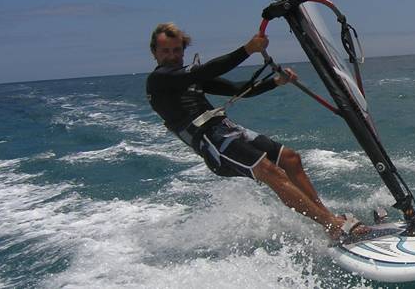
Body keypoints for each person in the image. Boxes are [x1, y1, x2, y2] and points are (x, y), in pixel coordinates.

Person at [145, 22, 368, 242]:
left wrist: (275, 82)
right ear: (154, 52)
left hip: (227, 130)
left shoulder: (189, 78)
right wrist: (247, 50)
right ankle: (331, 224)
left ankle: (328, 219)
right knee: (271, 171)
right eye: (165, 51)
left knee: (290, 159)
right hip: (210, 143)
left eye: (177, 50)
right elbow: (204, 71)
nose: (172, 55)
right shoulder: (159, 80)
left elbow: (235, 89)